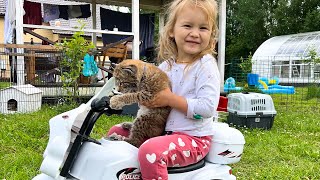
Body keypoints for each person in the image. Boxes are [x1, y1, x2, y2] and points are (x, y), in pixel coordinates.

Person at [107, 0, 220, 179]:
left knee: (151, 152)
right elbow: (149, 92)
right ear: (171, 31)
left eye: (203, 28)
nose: (195, 33)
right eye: (188, 25)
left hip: (194, 139)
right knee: (116, 132)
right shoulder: (166, 66)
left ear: (211, 35)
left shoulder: (205, 66)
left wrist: (169, 99)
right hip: (163, 131)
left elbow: (207, 109)